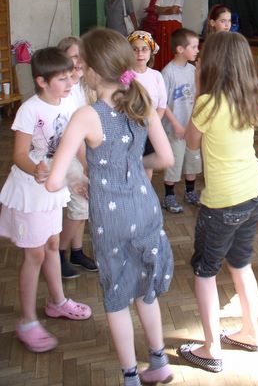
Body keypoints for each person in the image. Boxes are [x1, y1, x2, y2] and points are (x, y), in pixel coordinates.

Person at [46, 28, 175, 386]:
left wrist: (53, 176)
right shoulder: (141, 101)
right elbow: (165, 158)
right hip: (146, 207)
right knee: (145, 289)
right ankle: (159, 362)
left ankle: (131, 376)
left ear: (89, 71)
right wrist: (130, 165)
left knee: (117, 296)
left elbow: (54, 181)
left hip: (112, 218)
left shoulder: (87, 116)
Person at [179, 32, 258, 373]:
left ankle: (210, 348)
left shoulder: (207, 102)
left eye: (203, 58)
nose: (198, 61)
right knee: (241, 264)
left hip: (223, 204)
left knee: (205, 273)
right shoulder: (246, 97)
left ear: (212, 65)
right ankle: (250, 332)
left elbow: (191, 143)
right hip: (254, 193)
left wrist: (199, 89)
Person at [0, 47, 92, 353]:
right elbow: (19, 154)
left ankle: (57, 302)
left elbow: (76, 143)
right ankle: (27, 321)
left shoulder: (69, 103)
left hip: (53, 186)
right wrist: (36, 169)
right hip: (30, 191)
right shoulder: (30, 110)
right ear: (41, 81)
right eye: (62, 78)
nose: (70, 83)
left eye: (70, 76)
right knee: (35, 255)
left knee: (53, 244)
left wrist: (86, 170)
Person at [56, 36, 97, 279]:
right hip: (70, 155)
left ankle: (77, 251)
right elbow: (73, 136)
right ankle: (60, 253)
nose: (79, 61)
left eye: (82, 56)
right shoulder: (64, 91)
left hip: (83, 153)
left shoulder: (83, 86)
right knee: (80, 205)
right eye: (74, 57)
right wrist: (85, 164)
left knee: (84, 208)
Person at [160, 28, 202, 213]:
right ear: (180, 49)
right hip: (174, 129)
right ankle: (169, 195)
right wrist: (176, 124)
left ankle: (190, 192)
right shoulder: (167, 72)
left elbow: (197, 96)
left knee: (192, 160)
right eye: (193, 47)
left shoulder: (193, 70)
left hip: (191, 127)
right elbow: (162, 102)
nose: (197, 50)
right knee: (174, 162)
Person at [127, 30, 168, 180]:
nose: (140, 54)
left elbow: (162, 105)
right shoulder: (126, 75)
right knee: (129, 165)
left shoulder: (156, 76)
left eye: (144, 49)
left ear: (151, 52)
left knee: (147, 167)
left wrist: (152, 126)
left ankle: (145, 191)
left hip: (150, 129)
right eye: (135, 49)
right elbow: (119, 101)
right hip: (129, 129)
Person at [154, 0, 184, 71]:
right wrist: (170, 9)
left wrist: (164, 10)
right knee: (161, 48)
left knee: (173, 48)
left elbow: (174, 10)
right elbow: (156, 10)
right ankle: (161, 70)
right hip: (161, 23)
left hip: (173, 25)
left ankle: (174, 71)